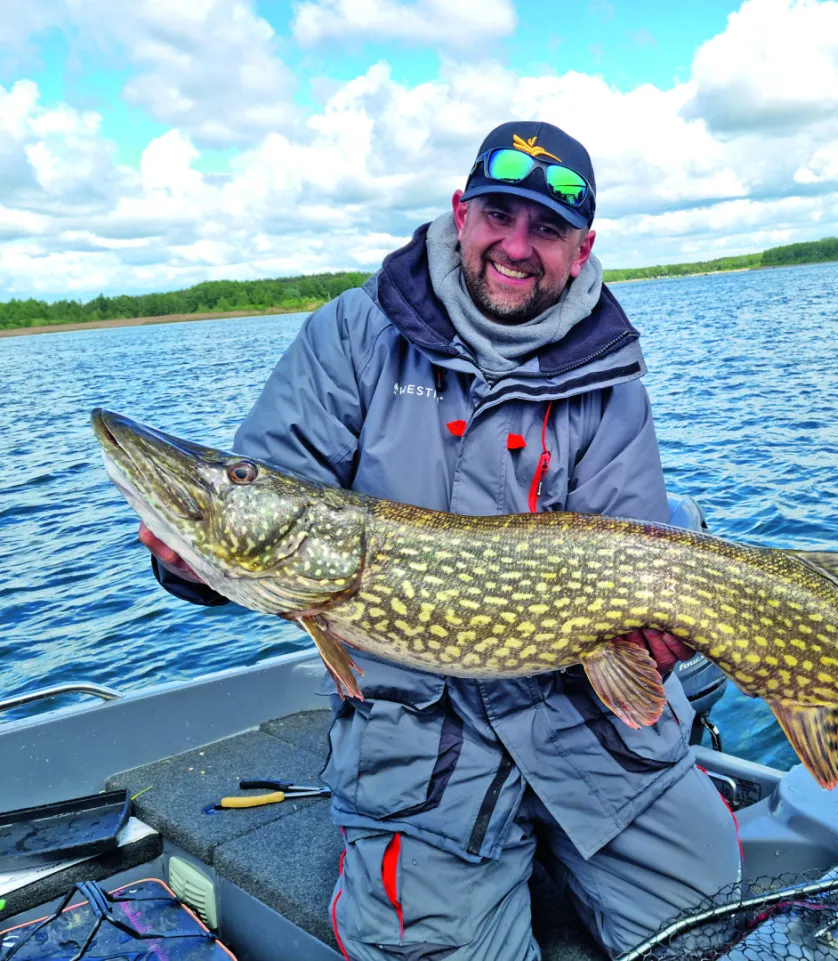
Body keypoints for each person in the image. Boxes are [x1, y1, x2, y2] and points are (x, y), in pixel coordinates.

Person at [139, 121, 742, 961]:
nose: (516, 245)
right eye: (499, 213)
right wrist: (193, 563)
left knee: (714, 917)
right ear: (460, 213)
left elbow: (630, 568)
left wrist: (657, 648)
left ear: (582, 246)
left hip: (589, 727)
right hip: (420, 744)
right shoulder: (354, 335)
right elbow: (267, 496)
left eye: (548, 229)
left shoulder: (610, 379)